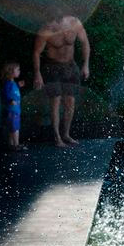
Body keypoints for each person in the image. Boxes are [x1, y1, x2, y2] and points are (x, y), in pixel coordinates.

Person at [33, 12, 90, 147]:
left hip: (71, 67)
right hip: (53, 68)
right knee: (56, 102)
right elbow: (36, 52)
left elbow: (85, 43)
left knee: (70, 102)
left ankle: (66, 134)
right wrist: (37, 73)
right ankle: (57, 137)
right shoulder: (46, 29)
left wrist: (86, 65)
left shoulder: (74, 23)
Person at [0, 62, 26, 150]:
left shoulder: (12, 83)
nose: (19, 71)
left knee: (12, 128)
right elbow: (5, 93)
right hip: (12, 110)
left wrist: (18, 85)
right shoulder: (8, 84)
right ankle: (16, 144)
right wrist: (10, 100)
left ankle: (11, 144)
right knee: (15, 128)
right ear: (10, 72)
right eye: (17, 70)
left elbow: (11, 92)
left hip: (15, 109)